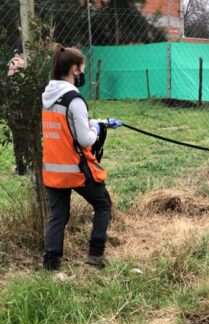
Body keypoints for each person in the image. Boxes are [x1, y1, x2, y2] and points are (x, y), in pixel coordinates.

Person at [42, 45, 123, 270]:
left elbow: (66, 126)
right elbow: (86, 140)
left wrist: (100, 122)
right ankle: (95, 257)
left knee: (58, 216)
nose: (82, 73)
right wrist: (97, 128)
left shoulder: (48, 96)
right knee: (103, 204)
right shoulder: (74, 99)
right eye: (82, 69)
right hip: (74, 169)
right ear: (75, 69)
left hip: (52, 168)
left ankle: (51, 266)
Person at [7, 45, 28, 175]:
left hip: (13, 107)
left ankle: (20, 168)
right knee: (27, 136)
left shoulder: (10, 63)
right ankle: (30, 164)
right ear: (22, 53)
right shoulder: (23, 64)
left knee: (17, 138)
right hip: (25, 107)